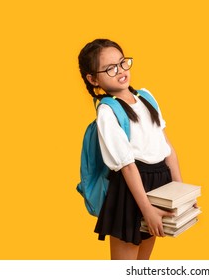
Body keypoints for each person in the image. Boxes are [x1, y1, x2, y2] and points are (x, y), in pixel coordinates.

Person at [78, 39, 182, 260]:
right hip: (131, 191)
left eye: (122, 63)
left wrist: (180, 192)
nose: (121, 71)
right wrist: (146, 209)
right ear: (93, 79)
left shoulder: (146, 97)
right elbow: (126, 166)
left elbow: (167, 148)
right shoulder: (107, 111)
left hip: (159, 184)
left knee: (142, 264)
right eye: (110, 68)